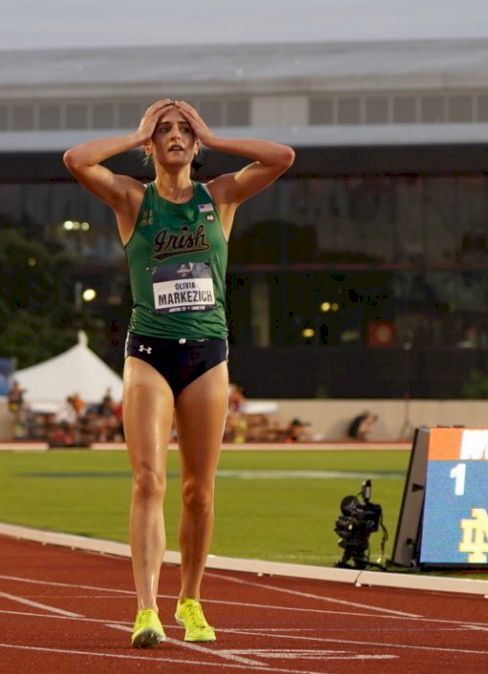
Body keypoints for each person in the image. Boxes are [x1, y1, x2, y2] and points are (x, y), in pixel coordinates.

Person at [64, 98, 293, 648]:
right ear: (151, 144)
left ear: (194, 143)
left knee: (199, 492)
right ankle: (146, 609)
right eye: (163, 130)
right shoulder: (131, 199)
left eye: (182, 130)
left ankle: (190, 598)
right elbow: (76, 159)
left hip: (208, 354)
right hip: (149, 351)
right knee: (149, 479)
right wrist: (134, 132)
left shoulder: (220, 196)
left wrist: (214, 134)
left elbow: (282, 156)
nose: (174, 136)